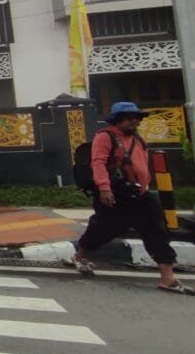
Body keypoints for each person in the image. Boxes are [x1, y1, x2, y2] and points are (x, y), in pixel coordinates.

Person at [67, 101, 192, 294]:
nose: (134, 121)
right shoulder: (105, 137)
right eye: (128, 118)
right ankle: (80, 255)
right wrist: (104, 189)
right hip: (115, 195)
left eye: (137, 117)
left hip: (140, 195)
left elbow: (141, 165)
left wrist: (145, 185)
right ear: (117, 120)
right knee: (102, 229)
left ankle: (167, 279)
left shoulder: (138, 139)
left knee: (157, 231)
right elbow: (98, 163)